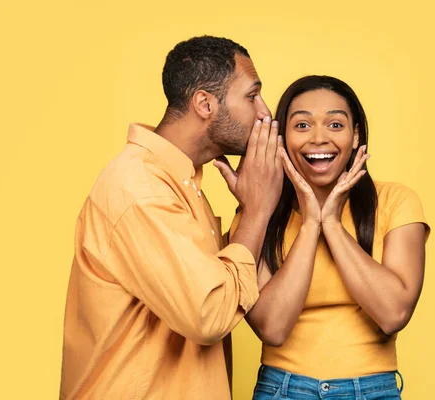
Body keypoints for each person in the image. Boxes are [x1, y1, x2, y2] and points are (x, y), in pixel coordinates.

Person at [60, 35, 283, 399]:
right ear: (204, 103)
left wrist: (249, 206)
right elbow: (209, 313)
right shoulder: (141, 189)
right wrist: (258, 210)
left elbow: (215, 284)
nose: (264, 112)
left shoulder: (180, 182)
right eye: (251, 95)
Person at [229, 75, 430, 400]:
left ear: (356, 137)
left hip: (372, 391)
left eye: (335, 125)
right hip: (283, 390)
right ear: (282, 139)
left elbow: (394, 314)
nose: (319, 138)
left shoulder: (396, 202)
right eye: (302, 125)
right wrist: (310, 224)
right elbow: (272, 328)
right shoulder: (256, 216)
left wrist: (332, 224)